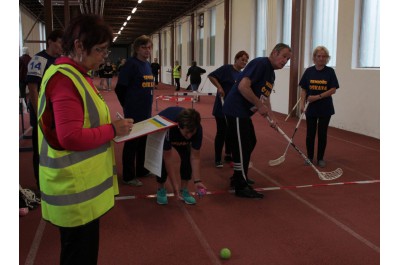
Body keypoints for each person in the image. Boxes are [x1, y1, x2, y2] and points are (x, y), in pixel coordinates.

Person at [37, 14, 133, 265]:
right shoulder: (65, 80)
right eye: (99, 50)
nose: (104, 56)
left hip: (81, 189)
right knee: (78, 256)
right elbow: (70, 137)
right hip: (74, 192)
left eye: (106, 50)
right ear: (79, 46)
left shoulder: (78, 75)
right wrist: (112, 130)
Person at [223, 43, 292, 199]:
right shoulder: (260, 63)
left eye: (288, 59)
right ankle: (241, 185)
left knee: (250, 142)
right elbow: (243, 86)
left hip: (244, 113)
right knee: (242, 146)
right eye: (284, 56)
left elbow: (265, 97)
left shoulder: (272, 74)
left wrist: (272, 118)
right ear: (275, 52)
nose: (285, 61)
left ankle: (238, 176)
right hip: (235, 109)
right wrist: (259, 105)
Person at [26, 29, 64, 190]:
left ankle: (56, 182)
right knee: (40, 152)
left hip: (59, 113)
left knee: (57, 149)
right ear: (50, 41)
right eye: (60, 42)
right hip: (43, 115)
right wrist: (39, 113)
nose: (62, 46)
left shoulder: (62, 60)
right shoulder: (38, 60)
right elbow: (32, 89)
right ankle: (40, 185)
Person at [115, 35, 154, 187]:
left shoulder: (148, 65)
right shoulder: (131, 65)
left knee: (143, 141)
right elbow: (120, 88)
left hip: (145, 111)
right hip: (133, 112)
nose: (147, 50)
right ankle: (128, 176)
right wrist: (127, 105)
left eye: (149, 47)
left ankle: (142, 170)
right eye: (144, 47)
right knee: (132, 144)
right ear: (137, 49)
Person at [155, 107, 207, 205]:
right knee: (161, 160)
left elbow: (195, 157)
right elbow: (168, 158)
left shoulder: (197, 129)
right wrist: (175, 186)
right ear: (179, 126)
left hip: (179, 137)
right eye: (187, 132)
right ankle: (161, 188)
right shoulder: (168, 127)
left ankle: (184, 189)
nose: (190, 136)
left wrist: (197, 181)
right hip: (162, 126)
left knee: (187, 157)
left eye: (192, 133)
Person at [299, 46, 339, 168]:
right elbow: (304, 89)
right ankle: (310, 157)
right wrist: (301, 104)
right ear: (314, 57)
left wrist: (317, 97)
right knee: (310, 134)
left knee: (322, 134)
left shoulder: (330, 72)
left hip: (325, 108)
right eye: (318, 56)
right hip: (310, 108)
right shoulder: (309, 71)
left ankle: (320, 158)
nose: (321, 58)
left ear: (327, 58)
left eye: (323, 56)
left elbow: (333, 90)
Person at [208, 50, 249, 168]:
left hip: (233, 108)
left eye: (246, 61)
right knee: (221, 132)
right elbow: (211, 76)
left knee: (231, 132)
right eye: (242, 59)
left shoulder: (242, 74)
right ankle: (217, 158)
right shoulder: (227, 69)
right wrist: (219, 87)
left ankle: (228, 154)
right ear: (236, 59)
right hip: (221, 107)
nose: (244, 62)